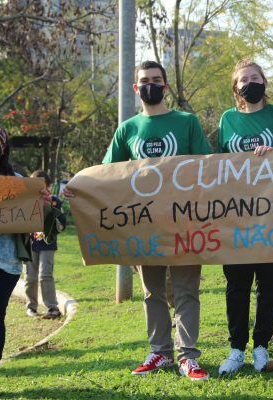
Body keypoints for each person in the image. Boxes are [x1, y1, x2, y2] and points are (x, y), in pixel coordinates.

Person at [67, 61, 213, 380]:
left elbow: (208, 168)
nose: (151, 85)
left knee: (187, 291)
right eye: (145, 81)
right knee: (153, 292)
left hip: (185, 224)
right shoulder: (128, 129)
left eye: (156, 80)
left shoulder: (187, 122)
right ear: (136, 88)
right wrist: (77, 187)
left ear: (166, 86)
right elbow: (107, 174)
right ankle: (160, 353)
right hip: (144, 226)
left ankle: (188, 357)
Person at [217, 59, 273, 375]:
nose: (250, 82)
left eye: (255, 77)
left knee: (268, 284)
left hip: (272, 216)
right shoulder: (227, 119)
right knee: (236, 285)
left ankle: (261, 347)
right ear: (236, 88)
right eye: (244, 79)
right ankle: (236, 348)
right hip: (237, 217)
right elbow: (217, 167)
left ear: (264, 82)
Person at [0, 126, 52, 368]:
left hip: (5, 263)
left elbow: (41, 223)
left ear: (4, 149)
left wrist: (43, 204)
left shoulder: (18, 183)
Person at [24, 170, 67, 319]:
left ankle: (52, 308)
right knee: (30, 277)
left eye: (44, 186)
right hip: (30, 244)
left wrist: (50, 205)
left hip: (48, 244)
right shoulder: (26, 201)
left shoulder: (54, 201)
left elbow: (62, 224)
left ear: (48, 186)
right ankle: (31, 307)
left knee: (45, 275)